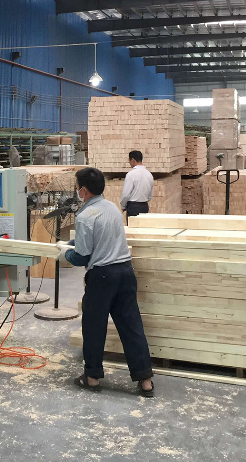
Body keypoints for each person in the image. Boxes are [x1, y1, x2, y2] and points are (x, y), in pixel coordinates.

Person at [59, 167, 154, 396]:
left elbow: (82, 256)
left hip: (102, 276)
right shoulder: (112, 208)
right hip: (125, 272)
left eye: (77, 187)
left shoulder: (84, 217)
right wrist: (73, 243)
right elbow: (101, 239)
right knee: (131, 326)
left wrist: (64, 253)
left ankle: (92, 377)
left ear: (83, 190)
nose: (77, 191)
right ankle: (145, 380)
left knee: (94, 327)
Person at [120, 150, 154, 224]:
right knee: (143, 228)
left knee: (133, 228)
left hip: (133, 208)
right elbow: (150, 196)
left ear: (133, 160)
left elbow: (126, 194)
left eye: (129, 161)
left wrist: (123, 206)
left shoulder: (131, 174)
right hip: (144, 206)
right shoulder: (149, 174)